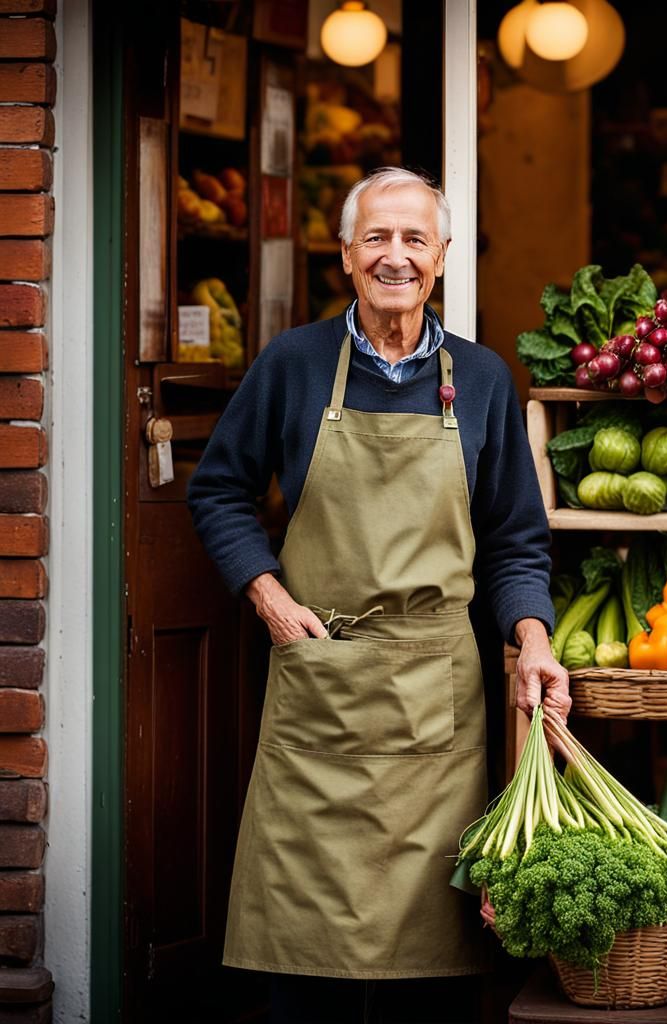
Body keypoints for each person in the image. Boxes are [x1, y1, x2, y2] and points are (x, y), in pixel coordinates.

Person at [187, 166, 570, 1022]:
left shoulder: (479, 380)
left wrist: (533, 640)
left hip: (435, 697)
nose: (395, 256)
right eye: (377, 238)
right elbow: (218, 490)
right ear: (346, 255)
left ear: (440, 259)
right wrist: (269, 597)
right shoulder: (292, 364)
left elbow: (515, 539)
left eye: (414, 239)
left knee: (429, 971)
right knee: (303, 970)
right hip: (319, 681)